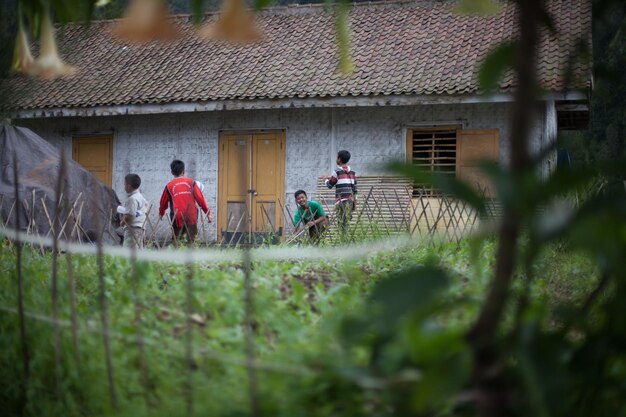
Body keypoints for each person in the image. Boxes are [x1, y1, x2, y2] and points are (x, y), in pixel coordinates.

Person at [159, 160, 213, 243]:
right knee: (192, 240)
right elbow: (200, 199)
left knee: (177, 241)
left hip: (176, 216)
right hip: (191, 215)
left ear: (172, 172)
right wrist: (208, 213)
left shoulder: (169, 186)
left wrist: (161, 213)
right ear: (183, 171)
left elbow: (163, 202)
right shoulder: (191, 182)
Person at [324, 150, 357, 233]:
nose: (336, 159)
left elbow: (330, 185)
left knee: (341, 222)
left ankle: (344, 241)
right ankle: (346, 240)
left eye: (337, 157)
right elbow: (355, 189)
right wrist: (354, 202)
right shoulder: (353, 173)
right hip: (350, 201)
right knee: (347, 222)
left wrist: (325, 180)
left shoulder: (337, 172)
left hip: (341, 201)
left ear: (339, 159)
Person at [117, 173, 149, 249]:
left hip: (132, 229)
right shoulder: (140, 196)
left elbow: (129, 216)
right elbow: (146, 206)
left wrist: (122, 222)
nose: (124, 186)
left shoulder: (132, 199)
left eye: (124, 184)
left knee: (128, 251)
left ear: (129, 186)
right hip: (140, 228)